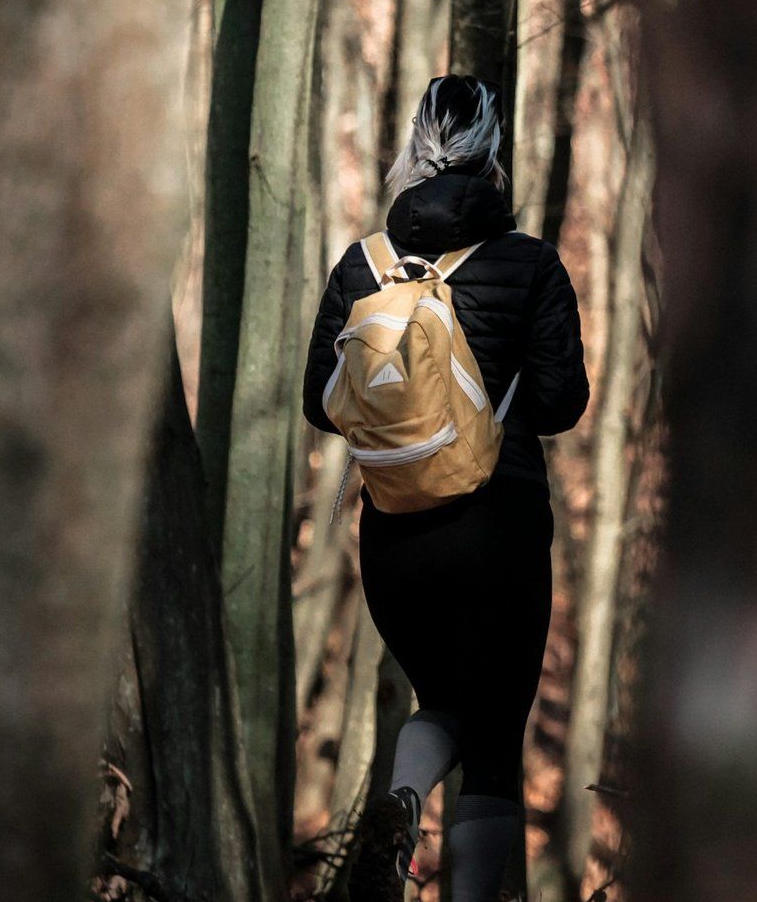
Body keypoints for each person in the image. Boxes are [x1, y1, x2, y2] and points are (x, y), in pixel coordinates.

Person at [302, 74, 589, 899]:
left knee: (443, 702)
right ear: (493, 153)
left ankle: (401, 797)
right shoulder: (530, 265)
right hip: (498, 527)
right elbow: (562, 404)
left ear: (411, 152)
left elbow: (322, 407)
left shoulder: (363, 267)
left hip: (395, 536)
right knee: (495, 742)